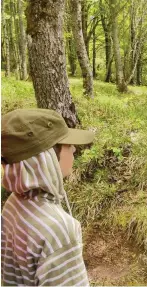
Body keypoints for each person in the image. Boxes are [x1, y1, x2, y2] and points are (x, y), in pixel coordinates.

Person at [1, 108, 94, 286]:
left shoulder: (14, 202)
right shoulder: (59, 229)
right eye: (67, 145)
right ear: (47, 157)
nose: (74, 149)